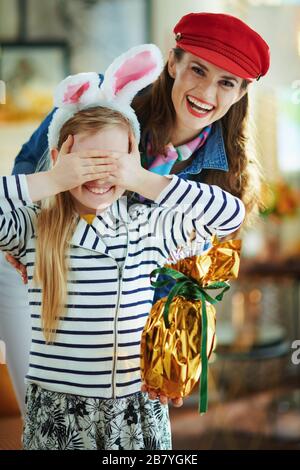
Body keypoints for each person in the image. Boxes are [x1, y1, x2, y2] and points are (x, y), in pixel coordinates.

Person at [1, 12, 270, 412]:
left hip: (123, 292)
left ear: (241, 92)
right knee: (44, 404)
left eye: (226, 82)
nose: (207, 93)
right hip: (46, 265)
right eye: (198, 69)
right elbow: (30, 165)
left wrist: (166, 352)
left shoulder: (223, 173)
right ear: (173, 62)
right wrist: (27, 240)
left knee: (122, 416)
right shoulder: (104, 103)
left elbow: (185, 273)